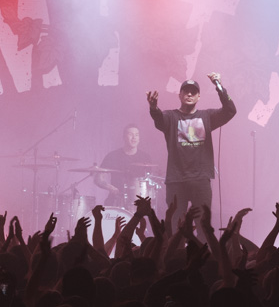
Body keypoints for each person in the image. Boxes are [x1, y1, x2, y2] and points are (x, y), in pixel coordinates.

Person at [147, 74, 236, 228]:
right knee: (176, 227)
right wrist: (154, 108)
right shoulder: (171, 116)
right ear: (179, 95)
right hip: (176, 180)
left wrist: (219, 86)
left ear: (198, 97)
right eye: (186, 91)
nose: (189, 94)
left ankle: (202, 252)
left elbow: (230, 110)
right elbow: (159, 119)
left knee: (203, 226)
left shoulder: (207, 116)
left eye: (193, 92)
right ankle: (177, 252)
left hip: (200, 180)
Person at [93, 124, 155, 208]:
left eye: (137, 135)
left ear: (139, 138)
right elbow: (98, 178)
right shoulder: (112, 156)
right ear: (124, 137)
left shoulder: (145, 158)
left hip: (139, 202)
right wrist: (110, 187)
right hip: (116, 200)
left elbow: (150, 181)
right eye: (130, 134)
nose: (134, 137)